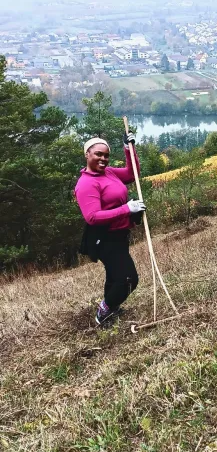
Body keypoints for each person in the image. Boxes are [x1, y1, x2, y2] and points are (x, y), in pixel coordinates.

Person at [75, 132, 146, 326]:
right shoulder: (86, 183)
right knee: (128, 279)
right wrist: (126, 209)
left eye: (106, 155)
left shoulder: (109, 172)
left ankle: (112, 308)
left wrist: (128, 148)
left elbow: (132, 174)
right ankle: (103, 312)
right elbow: (92, 217)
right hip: (105, 238)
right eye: (98, 154)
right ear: (87, 154)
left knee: (115, 276)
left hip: (120, 233)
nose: (103, 159)